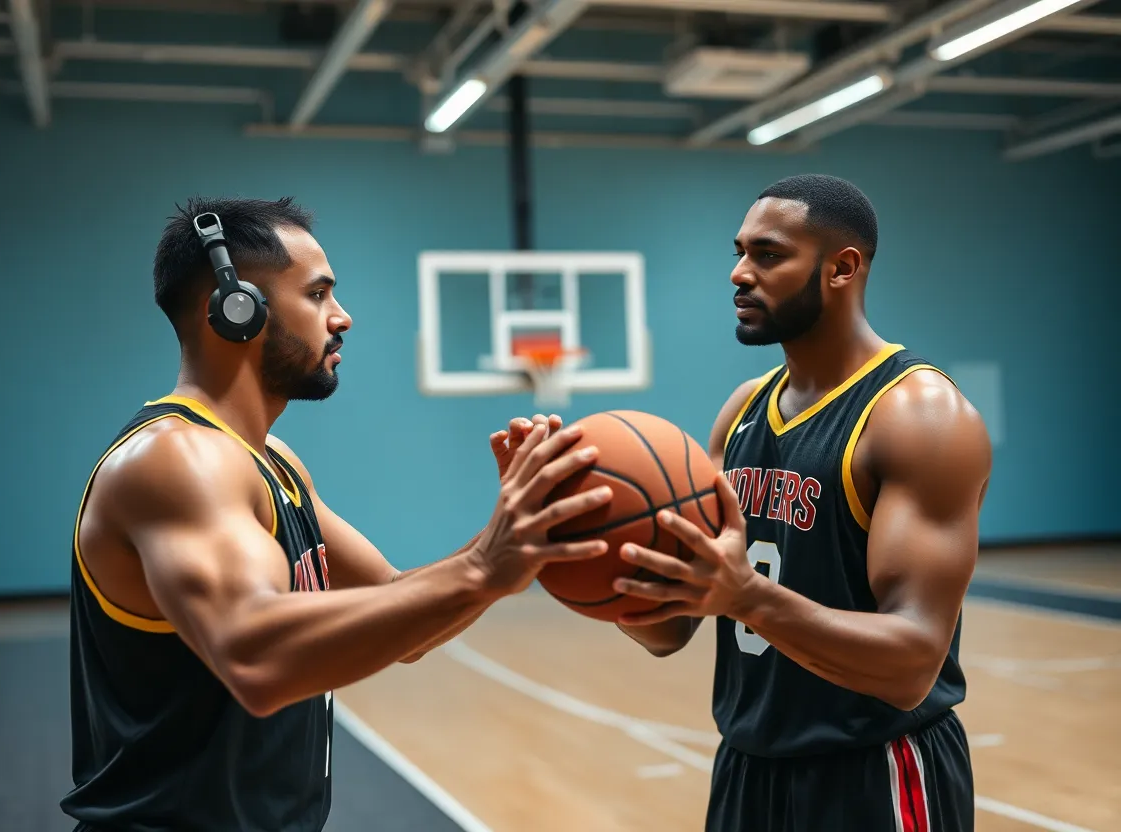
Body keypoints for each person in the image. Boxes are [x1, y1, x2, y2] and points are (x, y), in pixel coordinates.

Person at [60, 195, 614, 832]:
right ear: (237, 311)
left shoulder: (274, 461)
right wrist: (488, 566)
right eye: (318, 294)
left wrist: (513, 535)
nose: (342, 317)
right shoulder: (177, 461)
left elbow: (398, 607)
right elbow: (258, 659)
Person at [613, 174, 991, 831]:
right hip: (746, 767)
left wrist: (744, 597)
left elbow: (910, 665)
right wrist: (588, 552)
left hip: (875, 770)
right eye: (738, 252)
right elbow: (666, 631)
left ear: (842, 268)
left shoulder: (917, 416)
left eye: (767, 254)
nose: (738, 273)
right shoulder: (741, 411)